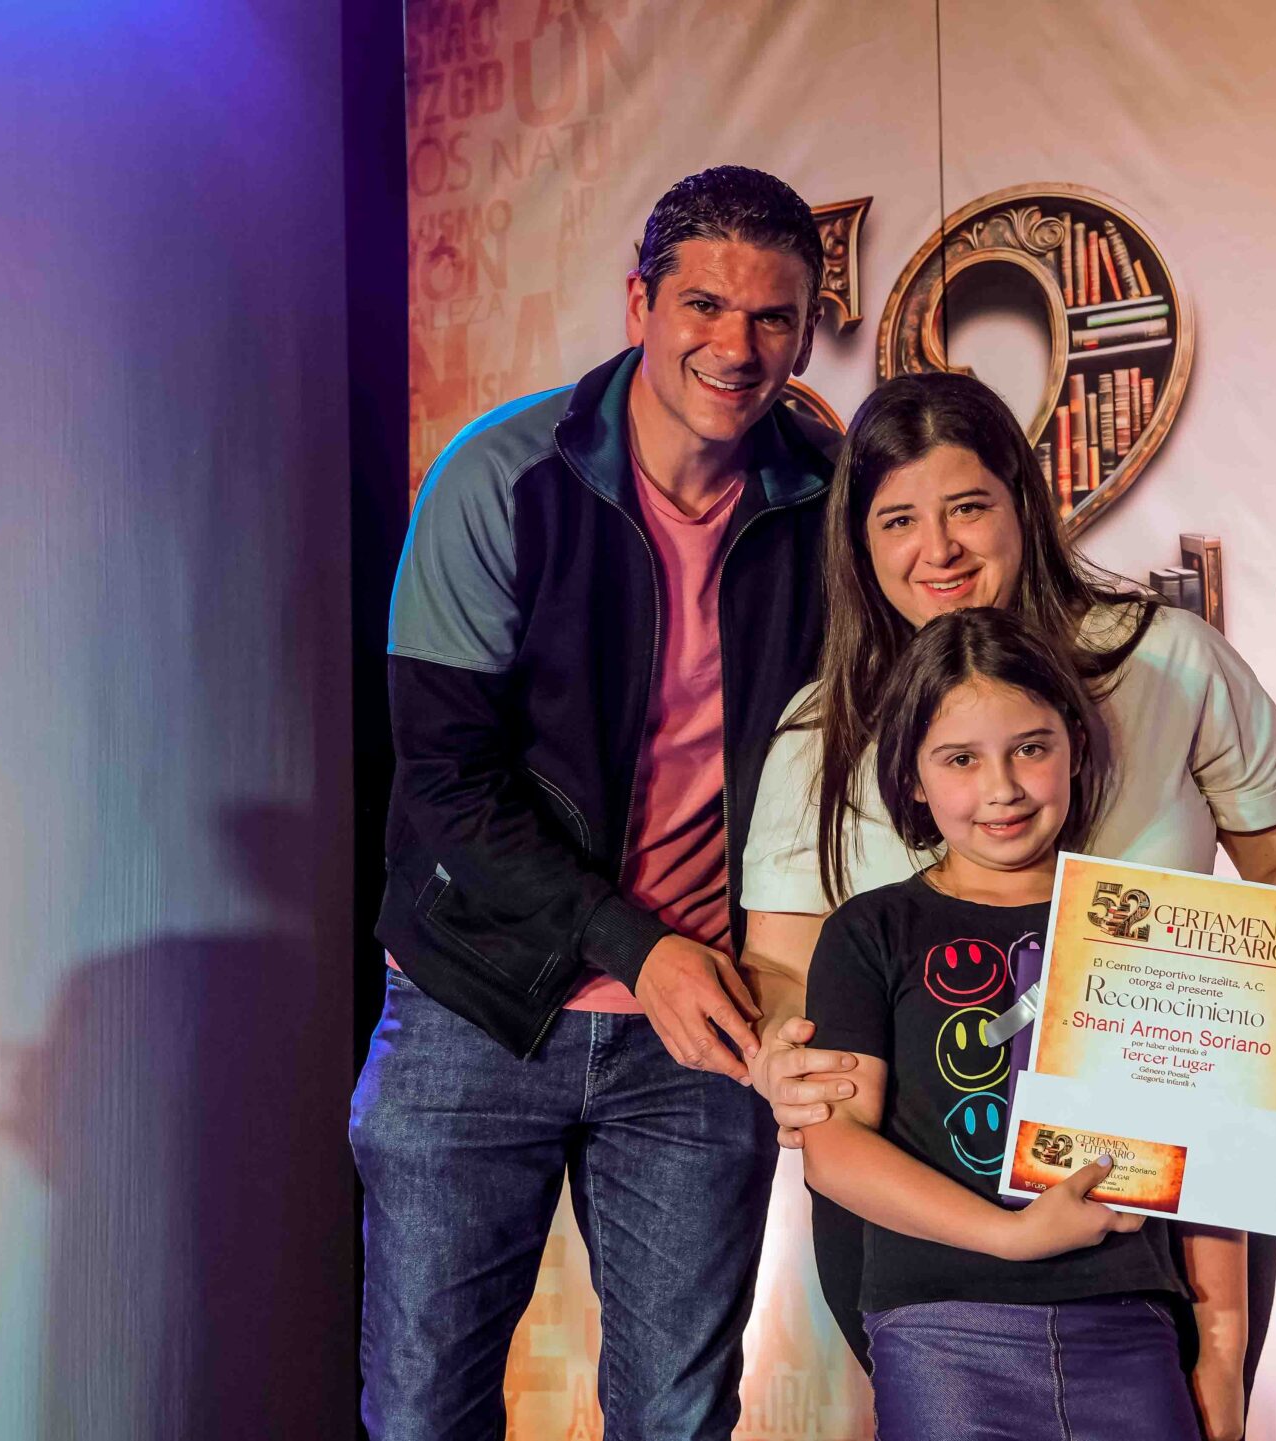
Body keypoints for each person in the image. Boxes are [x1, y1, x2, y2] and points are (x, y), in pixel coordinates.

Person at [738, 372, 1276, 1434]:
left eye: (968, 506)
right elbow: (781, 961)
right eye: (898, 520)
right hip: (927, 1216)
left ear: (1023, 501)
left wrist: (1221, 998)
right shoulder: (816, 730)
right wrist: (789, 1055)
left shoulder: (1168, 660)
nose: (939, 549)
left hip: (1164, 1183)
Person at [351, 166, 838, 1441]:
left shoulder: (828, 496)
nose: (735, 345)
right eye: (703, 305)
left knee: (677, 1418)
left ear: (807, 332)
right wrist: (636, 946)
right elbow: (444, 782)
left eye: (773, 317)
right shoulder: (500, 476)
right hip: (475, 1002)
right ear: (639, 305)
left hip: (706, 1027)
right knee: (423, 1412)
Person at [800, 606, 1216, 1441]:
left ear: (1076, 746)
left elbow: (1212, 1146)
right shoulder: (870, 931)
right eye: (961, 758)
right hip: (943, 1329)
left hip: (1128, 1320)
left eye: (1031, 747)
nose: (1003, 787)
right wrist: (1011, 1235)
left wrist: (1226, 1346)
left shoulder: (1147, 921)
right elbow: (833, 1147)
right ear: (913, 778)